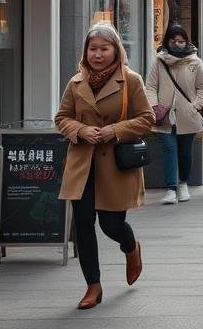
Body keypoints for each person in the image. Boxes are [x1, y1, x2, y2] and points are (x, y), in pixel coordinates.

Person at [55, 23, 154, 309]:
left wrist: (114, 131)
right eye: (93, 49)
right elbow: (61, 117)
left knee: (112, 225)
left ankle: (131, 247)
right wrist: (80, 130)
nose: (98, 54)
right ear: (86, 51)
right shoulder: (75, 83)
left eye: (104, 48)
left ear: (115, 50)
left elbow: (146, 118)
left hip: (114, 164)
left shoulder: (130, 80)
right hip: (81, 163)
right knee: (83, 224)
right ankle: (93, 286)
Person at [145, 24, 203, 205]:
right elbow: (151, 86)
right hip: (163, 115)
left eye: (181, 41)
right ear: (167, 41)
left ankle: (183, 183)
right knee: (168, 149)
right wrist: (154, 106)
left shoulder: (195, 62)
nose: (177, 44)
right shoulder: (159, 60)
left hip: (187, 115)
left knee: (185, 152)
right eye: (173, 40)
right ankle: (171, 188)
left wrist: (195, 105)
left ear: (186, 41)